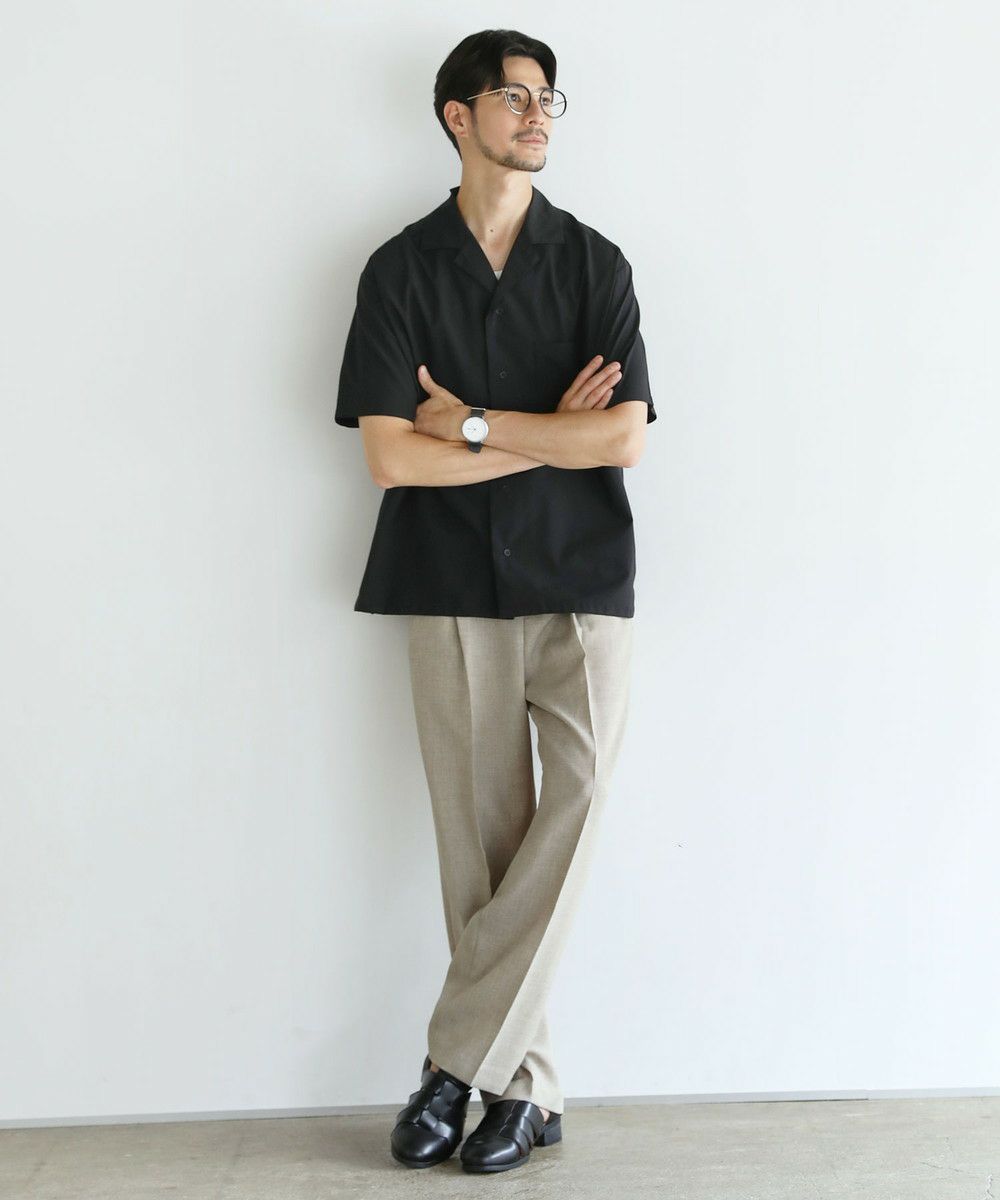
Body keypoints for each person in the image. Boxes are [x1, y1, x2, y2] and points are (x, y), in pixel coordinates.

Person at [335, 28, 656, 1174]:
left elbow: (620, 438)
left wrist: (470, 426)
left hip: (582, 577)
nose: (536, 115)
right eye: (513, 97)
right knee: (481, 848)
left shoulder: (595, 264)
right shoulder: (398, 270)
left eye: (546, 98)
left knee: (578, 803)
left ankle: (453, 1067)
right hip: (446, 581)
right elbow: (390, 459)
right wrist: (544, 436)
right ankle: (525, 1093)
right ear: (456, 116)